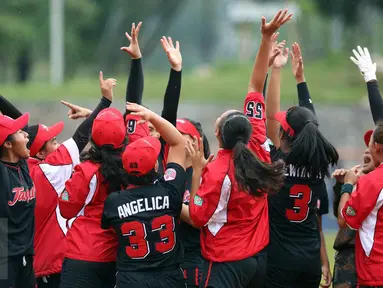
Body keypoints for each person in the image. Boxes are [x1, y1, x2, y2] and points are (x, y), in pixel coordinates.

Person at [180, 10, 291, 288]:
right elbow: (256, 84)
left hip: (225, 263)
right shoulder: (259, 147)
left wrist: (194, 176)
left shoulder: (216, 172)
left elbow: (197, 218)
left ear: (217, 134)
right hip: (257, 260)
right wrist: (265, 40)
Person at [0, 73, 115, 288]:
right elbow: (80, 138)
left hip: (28, 261)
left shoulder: (26, 165)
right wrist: (104, 102)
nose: (60, 144)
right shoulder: (46, 172)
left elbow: (20, 131)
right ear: (40, 153)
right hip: (20, 262)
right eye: (53, 141)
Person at [264, 40, 338, 288]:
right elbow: (317, 222)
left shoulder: (277, 163)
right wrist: (324, 261)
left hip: (280, 262)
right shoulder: (316, 169)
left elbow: (269, 114)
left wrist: (276, 70)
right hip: (310, 262)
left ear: (284, 134)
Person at [101, 102, 187, 288]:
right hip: (169, 278)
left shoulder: (114, 202)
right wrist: (153, 117)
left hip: (131, 279)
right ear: (156, 166)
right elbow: (178, 142)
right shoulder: (170, 191)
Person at [58, 107, 128, 288]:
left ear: (93, 138)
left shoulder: (86, 170)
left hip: (83, 254)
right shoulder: (132, 169)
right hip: (118, 255)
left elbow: (66, 209)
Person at [338, 121, 383, 288]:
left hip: (375, 273)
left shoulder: (372, 182)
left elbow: (344, 220)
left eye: (370, 142)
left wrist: (348, 184)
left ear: (377, 147)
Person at [0, 112, 36, 288]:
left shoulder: (22, 164)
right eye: (19, 132)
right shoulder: (2, 171)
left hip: (26, 255)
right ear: (7, 144)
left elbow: (23, 120)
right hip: (4, 258)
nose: (26, 134)